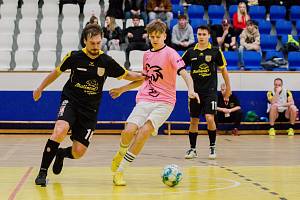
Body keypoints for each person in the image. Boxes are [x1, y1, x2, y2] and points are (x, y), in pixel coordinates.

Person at [34, 24, 144, 187]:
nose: (95, 46)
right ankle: (42, 172)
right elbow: (56, 72)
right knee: (60, 129)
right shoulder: (74, 56)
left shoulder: (106, 61)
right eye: (92, 43)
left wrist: (144, 77)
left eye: (98, 43)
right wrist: (40, 88)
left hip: (90, 110)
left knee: (79, 152)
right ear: (85, 41)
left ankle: (62, 154)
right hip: (71, 101)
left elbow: (129, 75)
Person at [110, 19, 199, 186]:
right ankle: (121, 153)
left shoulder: (172, 53)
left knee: (143, 132)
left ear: (164, 36)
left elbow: (186, 75)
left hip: (165, 101)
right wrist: (122, 89)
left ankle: (120, 172)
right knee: (128, 131)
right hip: (145, 98)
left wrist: (191, 90)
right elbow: (144, 79)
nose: (155, 39)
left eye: (158, 36)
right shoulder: (147, 55)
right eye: (152, 36)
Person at [182, 25, 231, 160]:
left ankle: (212, 147)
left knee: (210, 118)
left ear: (209, 35)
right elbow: (179, 66)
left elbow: (224, 71)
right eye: (199, 34)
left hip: (210, 92)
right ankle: (193, 149)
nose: (201, 36)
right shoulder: (190, 52)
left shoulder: (215, 52)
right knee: (194, 121)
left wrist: (228, 89)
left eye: (204, 34)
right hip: (195, 93)